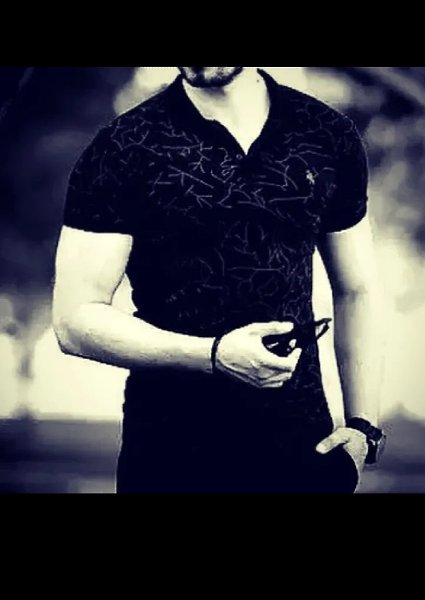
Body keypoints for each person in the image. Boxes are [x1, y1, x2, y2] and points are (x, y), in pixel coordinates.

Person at [53, 67, 386, 494]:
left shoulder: (326, 134)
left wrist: (363, 428)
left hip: (304, 453)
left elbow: (357, 289)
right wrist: (212, 355)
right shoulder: (122, 147)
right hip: (169, 458)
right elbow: (74, 320)